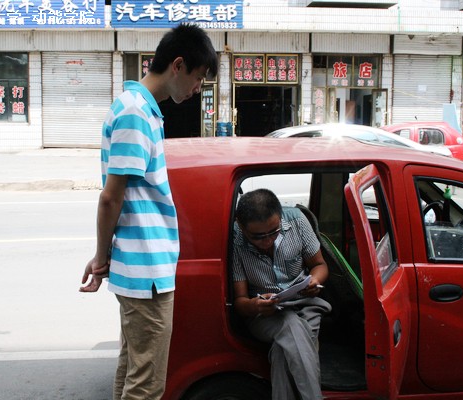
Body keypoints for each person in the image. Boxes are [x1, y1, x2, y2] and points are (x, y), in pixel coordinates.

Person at [79, 24, 218, 400]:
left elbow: (123, 197)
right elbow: (111, 198)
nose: (197, 88)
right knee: (147, 384)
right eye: (198, 77)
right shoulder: (136, 113)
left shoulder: (139, 109)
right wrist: (100, 257)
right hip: (146, 271)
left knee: (133, 370)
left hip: (142, 267)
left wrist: (105, 255)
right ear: (178, 65)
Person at [232, 189, 331, 400]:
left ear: (280, 216)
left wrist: (314, 281)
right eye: (258, 237)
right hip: (263, 316)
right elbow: (240, 302)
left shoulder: (297, 221)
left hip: (306, 303)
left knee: (282, 351)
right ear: (241, 225)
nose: (267, 241)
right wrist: (256, 305)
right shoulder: (235, 239)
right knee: (290, 324)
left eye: (274, 232)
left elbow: (320, 265)